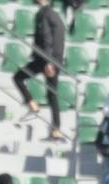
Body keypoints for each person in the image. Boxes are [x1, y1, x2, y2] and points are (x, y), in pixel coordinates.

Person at [13, 0, 66, 140]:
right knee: (52, 94)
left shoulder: (43, 14)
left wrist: (48, 62)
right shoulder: (55, 14)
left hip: (45, 60)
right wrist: (55, 61)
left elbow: (46, 38)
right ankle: (57, 128)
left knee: (18, 77)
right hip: (56, 60)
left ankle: (32, 104)